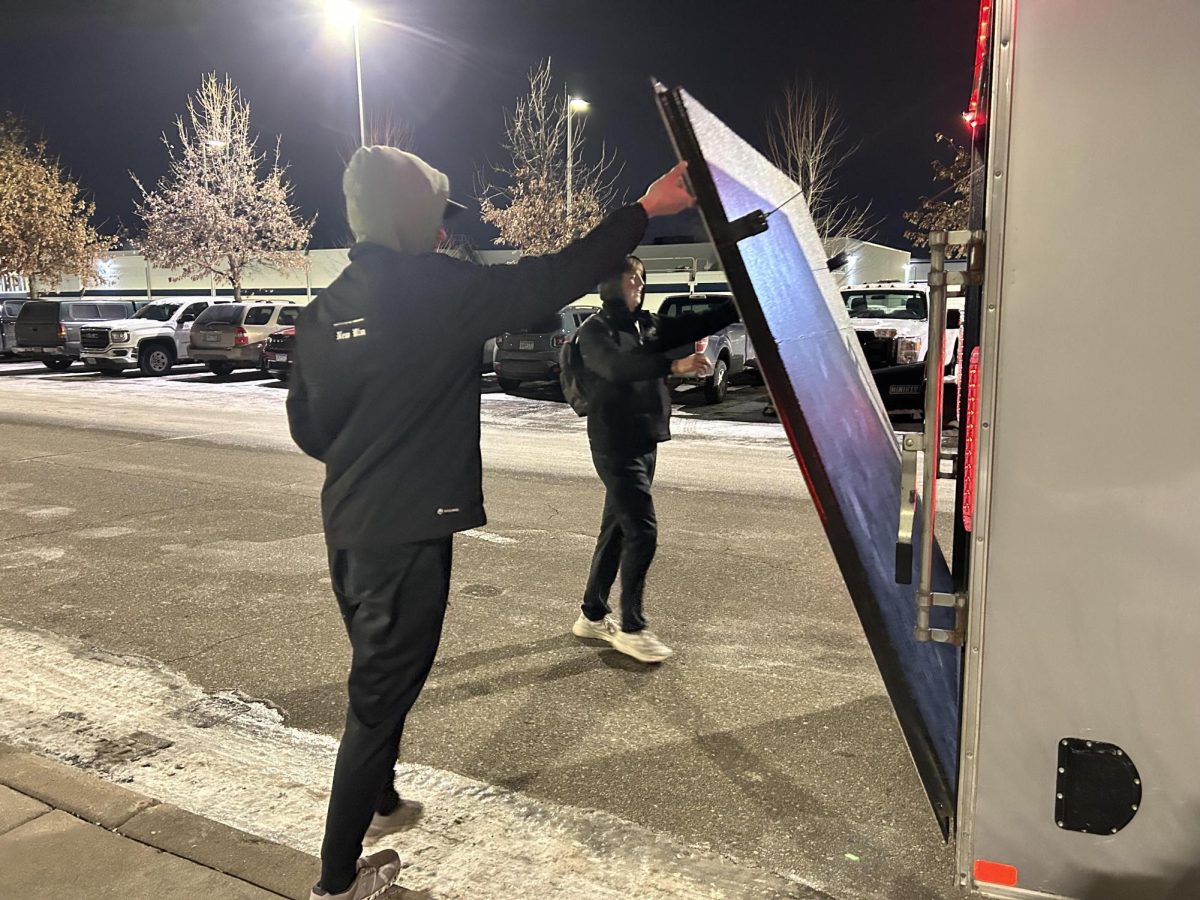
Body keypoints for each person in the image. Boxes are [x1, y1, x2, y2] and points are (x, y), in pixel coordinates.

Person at [286, 145, 695, 900]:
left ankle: (381, 800)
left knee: (382, 677)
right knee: (376, 696)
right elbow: (554, 275)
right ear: (410, 218)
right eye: (435, 220)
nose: (444, 235)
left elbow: (309, 430)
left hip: (348, 528)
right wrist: (645, 211)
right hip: (406, 537)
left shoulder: (327, 307)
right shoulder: (439, 291)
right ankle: (337, 881)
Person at [572, 256, 739, 663]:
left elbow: (693, 325)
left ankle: (592, 615)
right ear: (612, 284)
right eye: (632, 278)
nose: (640, 284)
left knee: (616, 528)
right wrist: (671, 364)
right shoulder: (594, 332)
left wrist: (740, 302)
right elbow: (615, 367)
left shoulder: (645, 326)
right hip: (614, 444)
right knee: (642, 531)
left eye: (643, 278)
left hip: (645, 441)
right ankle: (632, 627)